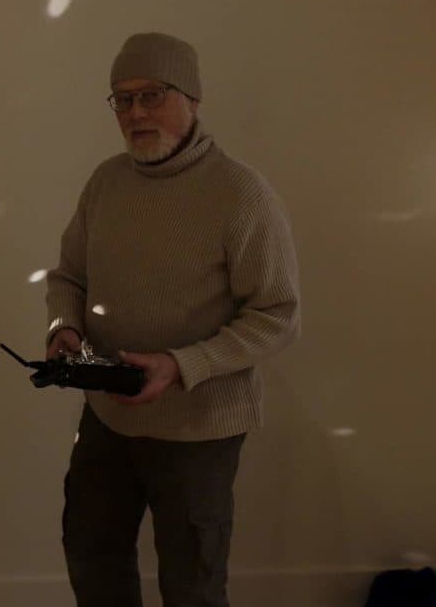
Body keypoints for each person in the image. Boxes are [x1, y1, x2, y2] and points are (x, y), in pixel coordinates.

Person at [45, 32, 301, 607]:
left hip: (199, 427)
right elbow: (68, 278)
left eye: (152, 95)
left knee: (193, 581)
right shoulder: (106, 183)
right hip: (108, 417)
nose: (136, 113)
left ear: (192, 98)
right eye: (122, 100)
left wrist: (180, 366)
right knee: (91, 555)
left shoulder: (240, 193)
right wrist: (64, 330)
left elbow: (277, 315)